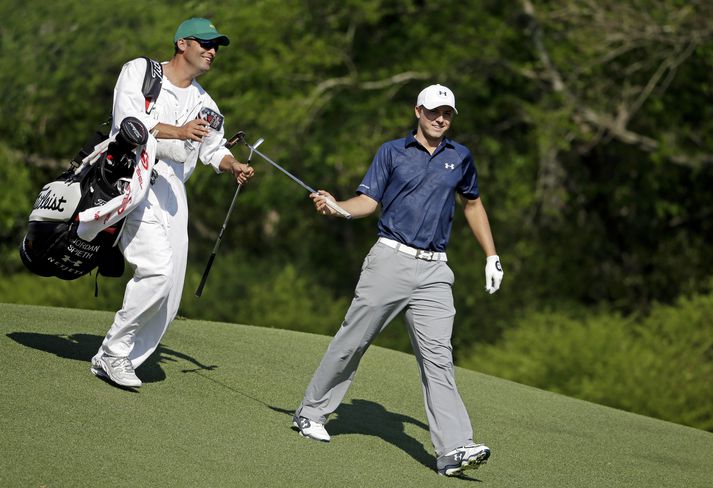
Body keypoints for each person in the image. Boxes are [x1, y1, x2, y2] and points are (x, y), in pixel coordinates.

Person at [292, 84, 504, 477]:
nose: (441, 119)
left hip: (436, 270)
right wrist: (338, 207)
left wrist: (491, 255)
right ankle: (310, 412)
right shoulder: (391, 152)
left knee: (438, 358)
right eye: (434, 111)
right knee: (353, 341)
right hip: (390, 259)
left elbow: (472, 203)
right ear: (418, 111)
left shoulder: (460, 157)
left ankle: (453, 448)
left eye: (448, 113)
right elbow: (368, 202)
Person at [89, 18, 254, 388]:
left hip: (173, 192)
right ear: (182, 44)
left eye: (217, 46)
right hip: (133, 179)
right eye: (206, 43)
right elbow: (127, 122)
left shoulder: (206, 104)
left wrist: (233, 166)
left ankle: (121, 358)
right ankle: (113, 352)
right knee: (157, 271)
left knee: (171, 293)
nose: (212, 51)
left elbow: (213, 149)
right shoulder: (140, 72)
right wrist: (178, 131)